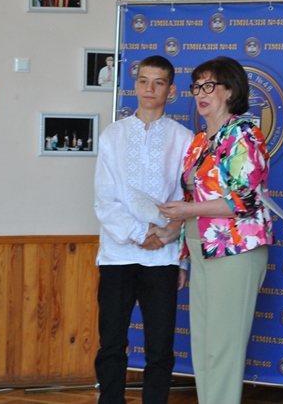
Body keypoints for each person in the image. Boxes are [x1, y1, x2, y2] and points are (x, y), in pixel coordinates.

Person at [158, 56, 273, 404]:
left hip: (235, 250)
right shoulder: (198, 141)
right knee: (204, 344)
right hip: (199, 248)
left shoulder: (244, 134)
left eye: (209, 85)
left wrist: (188, 211)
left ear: (231, 90)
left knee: (223, 346)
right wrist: (178, 249)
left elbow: (246, 199)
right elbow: (190, 198)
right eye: (196, 87)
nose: (201, 93)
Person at [94, 55, 194, 404]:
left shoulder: (184, 138)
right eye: (143, 81)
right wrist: (140, 233)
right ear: (134, 85)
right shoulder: (113, 135)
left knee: (160, 347)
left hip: (163, 256)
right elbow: (104, 199)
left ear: (171, 90)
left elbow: (189, 200)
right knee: (111, 342)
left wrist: (181, 259)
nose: (150, 89)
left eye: (159, 82)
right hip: (117, 253)